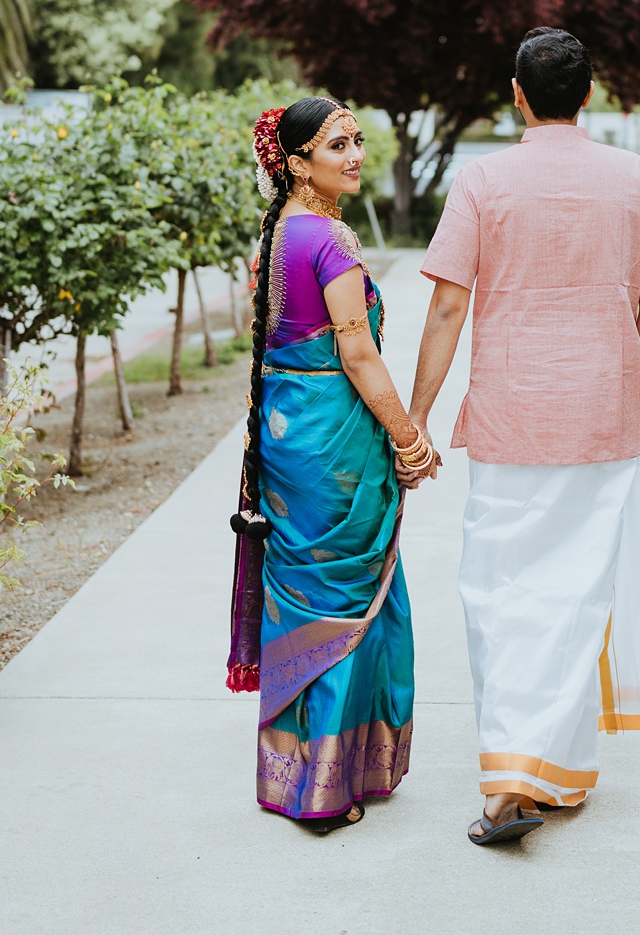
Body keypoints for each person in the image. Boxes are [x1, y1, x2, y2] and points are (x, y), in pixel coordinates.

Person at [409, 28, 640, 846]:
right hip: (603, 417)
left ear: (517, 94)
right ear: (589, 95)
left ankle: (512, 781)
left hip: (509, 418)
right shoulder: (634, 177)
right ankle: (555, 778)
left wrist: (418, 416)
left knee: (501, 593)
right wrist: (624, 384)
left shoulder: (484, 179)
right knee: (578, 594)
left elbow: (450, 306)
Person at [227, 97, 438, 833]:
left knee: (303, 596)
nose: (354, 155)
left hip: (288, 441)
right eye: (336, 146)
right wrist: (409, 438)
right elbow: (357, 353)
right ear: (294, 164)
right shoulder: (333, 242)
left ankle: (296, 776)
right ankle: (328, 785)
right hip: (336, 446)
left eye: (356, 141)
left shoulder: (277, 234)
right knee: (346, 601)